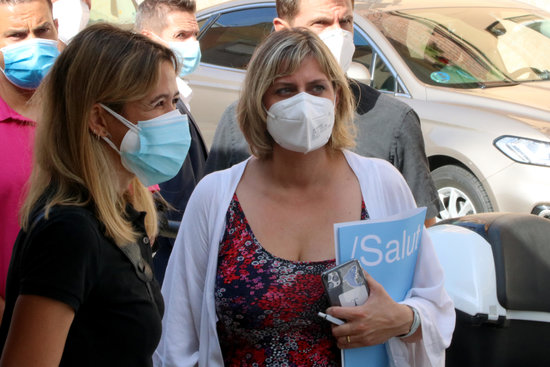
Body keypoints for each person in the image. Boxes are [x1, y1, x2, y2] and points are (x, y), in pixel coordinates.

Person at [155, 28, 454, 367]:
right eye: (285, 90)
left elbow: (435, 304)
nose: (305, 102)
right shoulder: (215, 198)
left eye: (317, 88)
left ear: (337, 97)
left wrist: (403, 320)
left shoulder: (383, 184)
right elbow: (176, 338)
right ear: (260, 102)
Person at [0, 23, 192, 366]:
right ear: (99, 119)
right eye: (157, 103)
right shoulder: (69, 231)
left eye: (174, 101)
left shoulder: (121, 210)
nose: (173, 118)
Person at [204, 0, 441, 226]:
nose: (339, 35)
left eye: (346, 21)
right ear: (282, 30)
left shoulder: (395, 122)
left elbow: (421, 231)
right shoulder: (236, 123)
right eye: (321, 23)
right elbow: (211, 218)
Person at [135, 0, 208, 284]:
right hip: (168, 262)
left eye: (195, 36)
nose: (192, 45)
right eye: (181, 36)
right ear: (147, 39)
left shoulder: (178, 96)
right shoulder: (144, 108)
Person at [0, 0, 60, 320]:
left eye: (42, 30)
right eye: (16, 35)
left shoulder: (87, 110)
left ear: (57, 29)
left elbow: (141, 202)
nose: (33, 44)